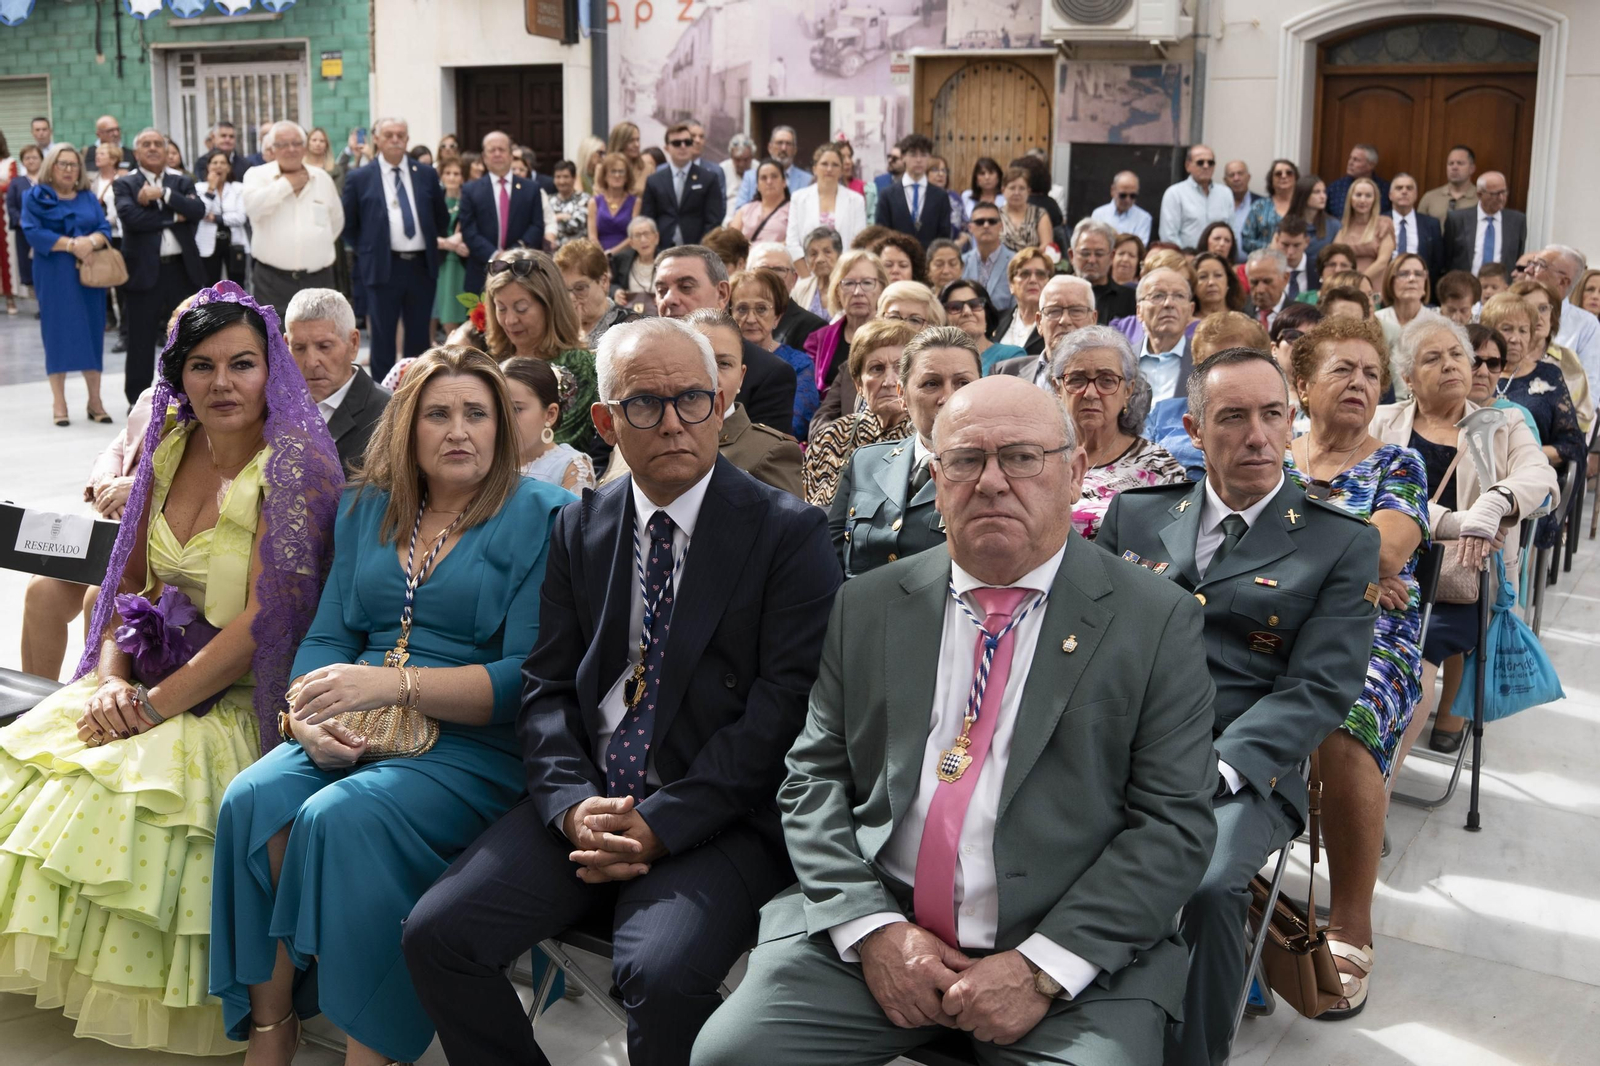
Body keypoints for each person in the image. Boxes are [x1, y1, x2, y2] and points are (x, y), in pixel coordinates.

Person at [698, 371, 1219, 1066]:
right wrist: (875, 929)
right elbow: (813, 776)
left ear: (1076, 472)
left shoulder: (1155, 620)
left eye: (1022, 457)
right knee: (730, 1056)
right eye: (966, 460)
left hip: (1066, 954)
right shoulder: (870, 603)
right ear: (937, 477)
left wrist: (1039, 967)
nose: (992, 482)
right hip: (879, 927)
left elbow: (1174, 825)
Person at [401, 315, 838, 1066]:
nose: (672, 422)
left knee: (661, 975)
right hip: (591, 800)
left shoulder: (786, 532)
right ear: (604, 420)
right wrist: (572, 807)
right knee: (438, 936)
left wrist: (662, 821)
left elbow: (784, 711)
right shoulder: (581, 527)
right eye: (644, 404)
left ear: (724, 402)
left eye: (692, 399)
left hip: (718, 815)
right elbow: (545, 689)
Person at [0, 283, 341, 1054]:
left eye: (242, 364)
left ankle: (211, 1006)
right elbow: (132, 584)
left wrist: (151, 709)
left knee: (129, 797)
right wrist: (114, 679)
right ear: (176, 374)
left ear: (271, 370)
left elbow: (262, 624)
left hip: (242, 694)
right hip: (147, 669)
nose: (221, 383)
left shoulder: (296, 467)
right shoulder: (170, 447)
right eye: (201, 365)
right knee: (36, 767)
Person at [210, 344, 569, 1066]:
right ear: (407, 426)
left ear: (503, 428)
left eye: (477, 413)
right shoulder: (366, 505)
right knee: (252, 799)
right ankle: (270, 1030)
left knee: (338, 819)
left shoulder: (548, 514)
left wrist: (392, 685)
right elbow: (329, 633)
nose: (458, 430)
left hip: (472, 744)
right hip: (352, 719)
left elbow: (526, 679)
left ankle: (369, 1052)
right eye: (438, 414)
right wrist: (309, 722)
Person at [1098, 345, 1380, 1066]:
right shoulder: (1135, 517)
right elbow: (1082, 639)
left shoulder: (1338, 543)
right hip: (1114, 749)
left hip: (1242, 770)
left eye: (1272, 414)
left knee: (1210, 882)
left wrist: (1218, 770)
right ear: (1194, 430)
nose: (1256, 435)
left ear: (1292, 423)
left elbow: (1320, 688)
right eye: (1232, 417)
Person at [1280, 316, 1430, 1018]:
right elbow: (1225, 540)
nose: (1361, 384)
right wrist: (1348, 560)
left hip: (1371, 630)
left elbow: (1391, 556)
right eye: (1344, 370)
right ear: (1304, 385)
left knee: (1346, 717)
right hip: (1265, 623)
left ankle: (1350, 923)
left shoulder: (1398, 465)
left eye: (1372, 374)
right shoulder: (1273, 452)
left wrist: (1294, 557)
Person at [1373, 313, 1554, 760]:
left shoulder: (1502, 424)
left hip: (1460, 582)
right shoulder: (1381, 423)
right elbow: (1356, 493)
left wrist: (1499, 500)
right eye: (1433, 358)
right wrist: (1451, 520)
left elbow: (1542, 478)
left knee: (1415, 664)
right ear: (1408, 377)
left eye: (1458, 355)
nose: (1452, 365)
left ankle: (1377, 785)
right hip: (1383, 568)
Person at [828, 326, 981, 577]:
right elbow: (830, 559)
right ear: (902, 395)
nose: (948, 397)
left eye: (962, 383)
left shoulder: (996, 471)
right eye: (931, 383)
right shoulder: (866, 461)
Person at [603, 309, 806, 496]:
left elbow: (785, 524)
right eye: (700, 361)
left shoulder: (769, 452)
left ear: (741, 376)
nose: (712, 374)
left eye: (724, 363)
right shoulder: (634, 429)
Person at [1052, 325, 1185, 540]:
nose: (1090, 393)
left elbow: (1175, 545)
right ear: (1058, 388)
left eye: (1107, 380)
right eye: (1077, 379)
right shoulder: (1040, 456)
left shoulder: (1158, 467)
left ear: (1128, 391)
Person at [342, 117, 450, 383]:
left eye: (400, 134)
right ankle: (381, 400)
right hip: (382, 265)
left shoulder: (425, 173)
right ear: (376, 139)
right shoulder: (360, 177)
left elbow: (441, 217)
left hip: (420, 266)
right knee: (382, 337)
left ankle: (418, 390)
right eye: (388, 134)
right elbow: (349, 225)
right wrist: (369, 250)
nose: (395, 139)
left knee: (418, 336)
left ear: (407, 139)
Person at [654, 243, 798, 434]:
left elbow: (762, 456)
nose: (669, 299)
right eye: (661, 290)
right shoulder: (642, 363)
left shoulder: (769, 374)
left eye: (686, 287)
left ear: (722, 293)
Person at [1482, 291, 1585, 548]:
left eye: (1523, 330)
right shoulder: (1477, 373)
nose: (1515, 338)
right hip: (1479, 473)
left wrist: (1524, 454)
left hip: (1531, 478)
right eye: (1506, 329)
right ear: (1490, 332)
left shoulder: (1549, 375)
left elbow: (1573, 444)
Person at [22, 144, 115, 426]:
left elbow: (104, 229)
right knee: (57, 334)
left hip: (89, 273)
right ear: (50, 166)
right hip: (53, 273)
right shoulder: (34, 196)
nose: (68, 169)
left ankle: (95, 400)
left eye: (73, 165)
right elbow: (32, 231)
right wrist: (71, 244)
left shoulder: (87, 197)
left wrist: (90, 242)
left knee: (91, 332)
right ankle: (59, 401)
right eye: (62, 164)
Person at [115, 127, 207, 407]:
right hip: (144, 273)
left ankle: (186, 397)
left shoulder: (180, 182)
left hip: (182, 270)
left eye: (158, 143)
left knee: (187, 336)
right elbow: (132, 219)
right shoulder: (125, 184)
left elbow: (197, 211)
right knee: (140, 339)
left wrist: (163, 194)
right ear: (136, 152)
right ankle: (138, 400)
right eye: (146, 144)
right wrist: (175, 217)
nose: (153, 148)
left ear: (168, 151)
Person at [482, 248, 598, 453]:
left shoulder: (577, 366)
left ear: (550, 306)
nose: (510, 320)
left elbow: (565, 443)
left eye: (521, 308)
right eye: (501, 308)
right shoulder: (489, 363)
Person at [284, 287, 391, 475]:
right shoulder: (274, 407)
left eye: (324, 346)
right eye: (299, 348)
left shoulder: (389, 413)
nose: (311, 362)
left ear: (354, 343)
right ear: (286, 346)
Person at [241, 121, 343, 315]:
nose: (291, 149)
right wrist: (287, 184)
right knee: (276, 341)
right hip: (273, 281)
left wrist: (314, 246)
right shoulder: (256, 175)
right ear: (272, 148)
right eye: (282, 144)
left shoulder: (321, 178)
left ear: (304, 147)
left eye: (297, 143)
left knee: (321, 340)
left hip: (319, 280)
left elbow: (336, 222)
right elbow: (253, 208)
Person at [804, 248, 889, 434]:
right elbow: (807, 397)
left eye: (867, 283)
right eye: (848, 283)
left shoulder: (892, 340)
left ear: (881, 288)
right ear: (837, 290)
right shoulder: (817, 339)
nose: (857, 291)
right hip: (826, 430)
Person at [729, 266, 820, 440]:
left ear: (777, 317)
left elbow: (795, 425)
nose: (751, 319)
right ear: (730, 314)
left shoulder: (798, 364)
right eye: (741, 309)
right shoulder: (722, 359)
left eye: (761, 309)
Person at [458, 130, 549, 300]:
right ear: (484, 157)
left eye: (502, 149)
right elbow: (468, 229)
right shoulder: (470, 190)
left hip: (523, 271)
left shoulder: (531, 189)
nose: (497, 154)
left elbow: (536, 226)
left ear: (510, 155)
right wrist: (495, 256)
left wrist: (512, 254)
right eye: (492, 150)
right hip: (481, 272)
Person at [1511, 278, 1596, 435]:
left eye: (1543, 308)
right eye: (1528, 309)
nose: (1538, 316)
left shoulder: (1566, 359)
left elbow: (1583, 417)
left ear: (1553, 314)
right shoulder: (1501, 356)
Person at [501, 354, 598, 491]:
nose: (504, 418)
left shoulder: (570, 467)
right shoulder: (488, 461)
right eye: (498, 409)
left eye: (516, 409)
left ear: (550, 414)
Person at [992, 274, 1096, 386]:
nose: (1064, 320)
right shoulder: (1005, 373)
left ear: (1093, 320)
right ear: (1039, 322)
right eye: (1054, 311)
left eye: (1076, 311)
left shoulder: (1111, 378)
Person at [643, 121, 726, 248]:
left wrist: (702, 248)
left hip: (698, 248)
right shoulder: (654, 180)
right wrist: (655, 248)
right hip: (662, 249)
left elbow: (714, 220)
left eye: (687, 142)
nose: (683, 147)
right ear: (667, 148)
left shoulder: (708, 178)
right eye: (677, 143)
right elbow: (648, 219)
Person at [1128, 266, 1198, 408]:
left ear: (1190, 311)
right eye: (1158, 296)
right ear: (1139, 310)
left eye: (1179, 296)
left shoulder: (1204, 361)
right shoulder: (1122, 361)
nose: (1169, 304)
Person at [785, 142, 866, 261]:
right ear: (814, 168)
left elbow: (859, 244)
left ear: (841, 170)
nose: (829, 169)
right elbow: (792, 243)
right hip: (807, 272)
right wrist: (807, 277)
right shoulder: (798, 198)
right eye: (824, 164)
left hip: (844, 272)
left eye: (835, 165)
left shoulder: (856, 200)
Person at [872, 133, 950, 248]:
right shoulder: (887, 195)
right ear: (903, 157)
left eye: (923, 155)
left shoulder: (940, 196)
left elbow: (944, 236)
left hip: (929, 262)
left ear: (929, 158)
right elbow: (881, 235)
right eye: (913, 155)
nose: (918, 160)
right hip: (897, 261)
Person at [556, 237, 638, 347]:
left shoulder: (628, 326)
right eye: (564, 290)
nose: (570, 297)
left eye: (580, 288)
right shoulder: (557, 326)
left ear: (603, 282)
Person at [749, 241, 826, 350]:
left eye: (779, 270)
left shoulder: (814, 328)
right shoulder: (735, 320)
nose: (772, 277)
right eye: (763, 270)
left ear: (794, 279)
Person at [1444, 171, 1525, 274]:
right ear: (1479, 194)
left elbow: (1518, 257)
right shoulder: (1457, 219)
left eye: (1504, 192)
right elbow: (1447, 258)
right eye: (1495, 194)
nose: (1501, 198)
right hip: (1466, 285)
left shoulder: (1517, 221)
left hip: (1502, 286)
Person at [942, 278, 1022, 374]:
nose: (967, 312)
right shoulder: (937, 361)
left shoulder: (1011, 356)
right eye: (955, 307)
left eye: (974, 305)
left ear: (986, 314)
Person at [1160, 144, 1232, 249]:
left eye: (1210, 163)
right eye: (1200, 162)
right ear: (1188, 166)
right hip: (1186, 261)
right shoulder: (1175, 193)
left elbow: (1231, 233)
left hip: (1218, 261)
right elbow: (1168, 236)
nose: (1206, 166)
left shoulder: (1225, 193)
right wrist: (1187, 258)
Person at [195, 149, 249, 286]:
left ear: (229, 167)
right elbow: (201, 211)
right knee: (210, 286)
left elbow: (240, 217)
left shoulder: (238, 188)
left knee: (237, 285)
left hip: (234, 242)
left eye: (223, 163)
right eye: (215, 162)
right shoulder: (199, 188)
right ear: (208, 167)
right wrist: (211, 189)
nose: (218, 166)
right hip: (208, 244)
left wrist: (215, 218)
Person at [1071, 219, 1136, 325]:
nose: (1091, 260)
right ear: (1071, 255)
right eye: (1085, 253)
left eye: (1099, 254)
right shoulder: (1056, 296)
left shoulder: (1130, 300)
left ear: (1111, 256)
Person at [432, 156, 470, 339]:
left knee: (465, 312)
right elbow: (427, 233)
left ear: (463, 177)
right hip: (442, 264)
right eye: (448, 173)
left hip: (464, 263)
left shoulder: (468, 200)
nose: (452, 177)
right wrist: (449, 244)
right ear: (441, 176)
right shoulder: (435, 201)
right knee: (447, 314)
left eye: (456, 173)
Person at [734, 125, 814, 208]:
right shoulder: (751, 177)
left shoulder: (808, 180)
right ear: (770, 148)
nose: (783, 148)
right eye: (779, 143)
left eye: (788, 144)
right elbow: (739, 210)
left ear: (795, 150)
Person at [960, 200, 1016, 312]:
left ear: (1001, 226)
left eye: (992, 221)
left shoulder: (1015, 262)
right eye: (980, 222)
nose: (986, 226)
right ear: (970, 227)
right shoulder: (961, 262)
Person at [1338, 176, 1395, 287]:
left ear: (1375, 199)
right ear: (1350, 198)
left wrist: (1358, 281)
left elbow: (1383, 261)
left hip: (1374, 284)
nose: (1363, 200)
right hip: (1346, 285)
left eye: (1368, 196)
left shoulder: (1384, 224)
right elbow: (1336, 256)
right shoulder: (1343, 226)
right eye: (1358, 195)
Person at [1388, 172, 1444, 282]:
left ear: (1416, 194)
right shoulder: (1379, 221)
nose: (1404, 191)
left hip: (1420, 284)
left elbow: (1437, 261)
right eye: (1399, 188)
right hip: (1386, 283)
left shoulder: (1431, 224)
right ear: (1390, 195)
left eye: (1409, 188)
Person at [1376, 252, 1433, 355]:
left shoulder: (1437, 322)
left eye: (1418, 274)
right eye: (1403, 274)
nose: (1412, 279)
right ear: (1391, 281)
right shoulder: (1377, 321)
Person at [1240, 159, 1299, 255]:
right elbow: (1246, 242)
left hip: (1297, 265)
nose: (1284, 176)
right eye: (1278, 174)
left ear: (1296, 178)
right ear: (1271, 180)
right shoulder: (1259, 206)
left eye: (1289, 173)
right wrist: (1270, 247)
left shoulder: (1303, 206)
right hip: (1265, 263)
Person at [734, 157, 792, 244]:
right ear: (757, 186)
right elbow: (730, 241)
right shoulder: (745, 210)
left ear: (784, 182)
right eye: (763, 178)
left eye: (774, 177)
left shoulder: (793, 210)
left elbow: (794, 242)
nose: (769, 181)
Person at [1323, 144, 1388, 220]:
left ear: (1371, 165)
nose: (1350, 163)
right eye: (1350, 158)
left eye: (1356, 160)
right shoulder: (1335, 188)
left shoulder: (1385, 189)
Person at [997, 165, 1051, 253]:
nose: (1017, 193)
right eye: (1012, 188)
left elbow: (1047, 245)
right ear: (1003, 190)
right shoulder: (996, 215)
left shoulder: (1039, 214)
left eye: (1022, 188)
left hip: (1033, 263)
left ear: (1028, 191)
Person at [1418, 145, 1478, 223]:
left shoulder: (1480, 198)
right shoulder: (1430, 197)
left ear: (1472, 168)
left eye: (1460, 163)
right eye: (1451, 163)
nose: (1454, 167)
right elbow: (1419, 228)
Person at [1091, 170, 1152, 243]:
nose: (1127, 200)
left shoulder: (1144, 218)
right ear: (1113, 191)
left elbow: (1140, 248)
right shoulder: (1099, 214)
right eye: (1123, 195)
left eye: (1133, 196)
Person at [793, 225, 840, 318]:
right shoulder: (800, 289)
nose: (820, 259)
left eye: (827, 252)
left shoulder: (849, 288)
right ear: (806, 260)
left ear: (839, 255)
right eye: (813, 254)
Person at [547, 159, 590, 248]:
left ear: (574, 178)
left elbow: (575, 225)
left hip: (577, 251)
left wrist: (554, 218)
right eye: (558, 177)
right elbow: (542, 224)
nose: (562, 181)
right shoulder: (548, 200)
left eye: (566, 177)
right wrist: (562, 217)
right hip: (552, 253)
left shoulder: (584, 199)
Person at [1247, 247, 1291, 330]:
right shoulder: (1238, 312)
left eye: (1267, 281)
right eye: (1254, 282)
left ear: (1285, 278)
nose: (1260, 290)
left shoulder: (1304, 316)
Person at [1195, 250, 1246, 316]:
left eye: (1218, 275)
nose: (1211, 282)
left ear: (1228, 281)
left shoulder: (1243, 320)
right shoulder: (1185, 323)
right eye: (1203, 277)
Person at [1224, 159, 1258, 257]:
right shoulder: (1218, 203)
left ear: (1248, 177)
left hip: (1253, 266)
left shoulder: (1262, 204)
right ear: (1225, 180)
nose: (1236, 178)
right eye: (1231, 175)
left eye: (1240, 174)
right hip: (1223, 264)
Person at [720, 132, 756, 217]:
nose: (741, 164)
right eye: (737, 159)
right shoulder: (722, 169)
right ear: (731, 156)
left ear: (752, 156)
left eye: (746, 160)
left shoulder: (759, 170)